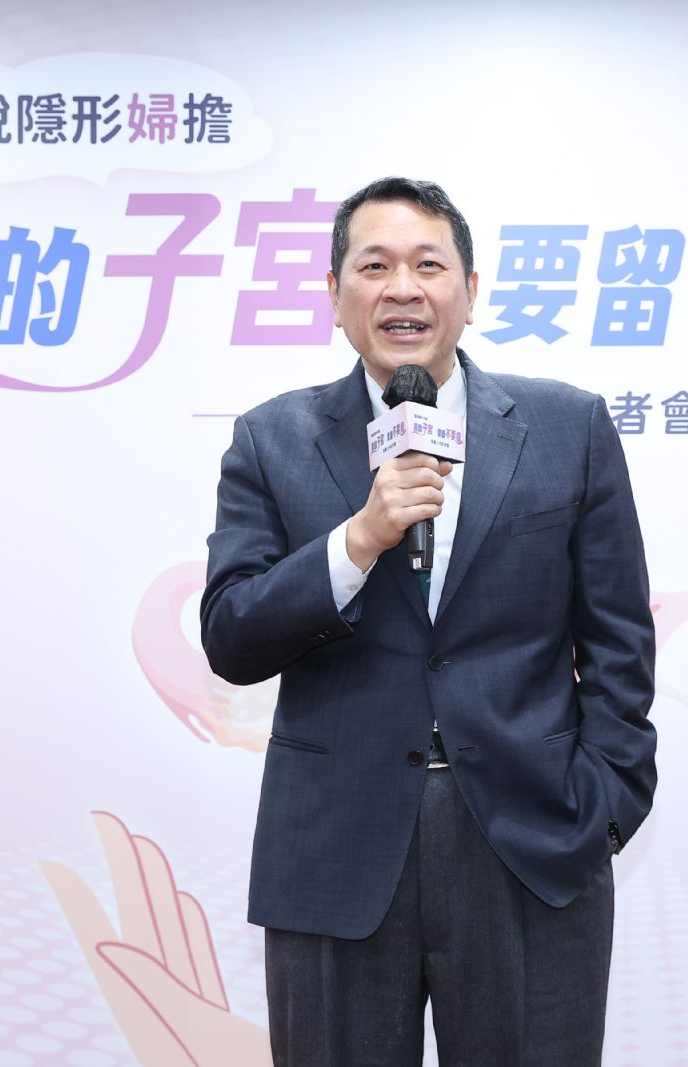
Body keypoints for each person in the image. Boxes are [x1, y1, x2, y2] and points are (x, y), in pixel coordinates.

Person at [201, 177, 656, 1066]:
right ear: (335, 295)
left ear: (471, 291)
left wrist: (601, 807)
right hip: (336, 844)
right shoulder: (270, 439)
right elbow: (232, 634)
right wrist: (359, 539)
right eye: (373, 267)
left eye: (428, 265)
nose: (401, 289)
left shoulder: (568, 427)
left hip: (530, 837)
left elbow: (618, 642)